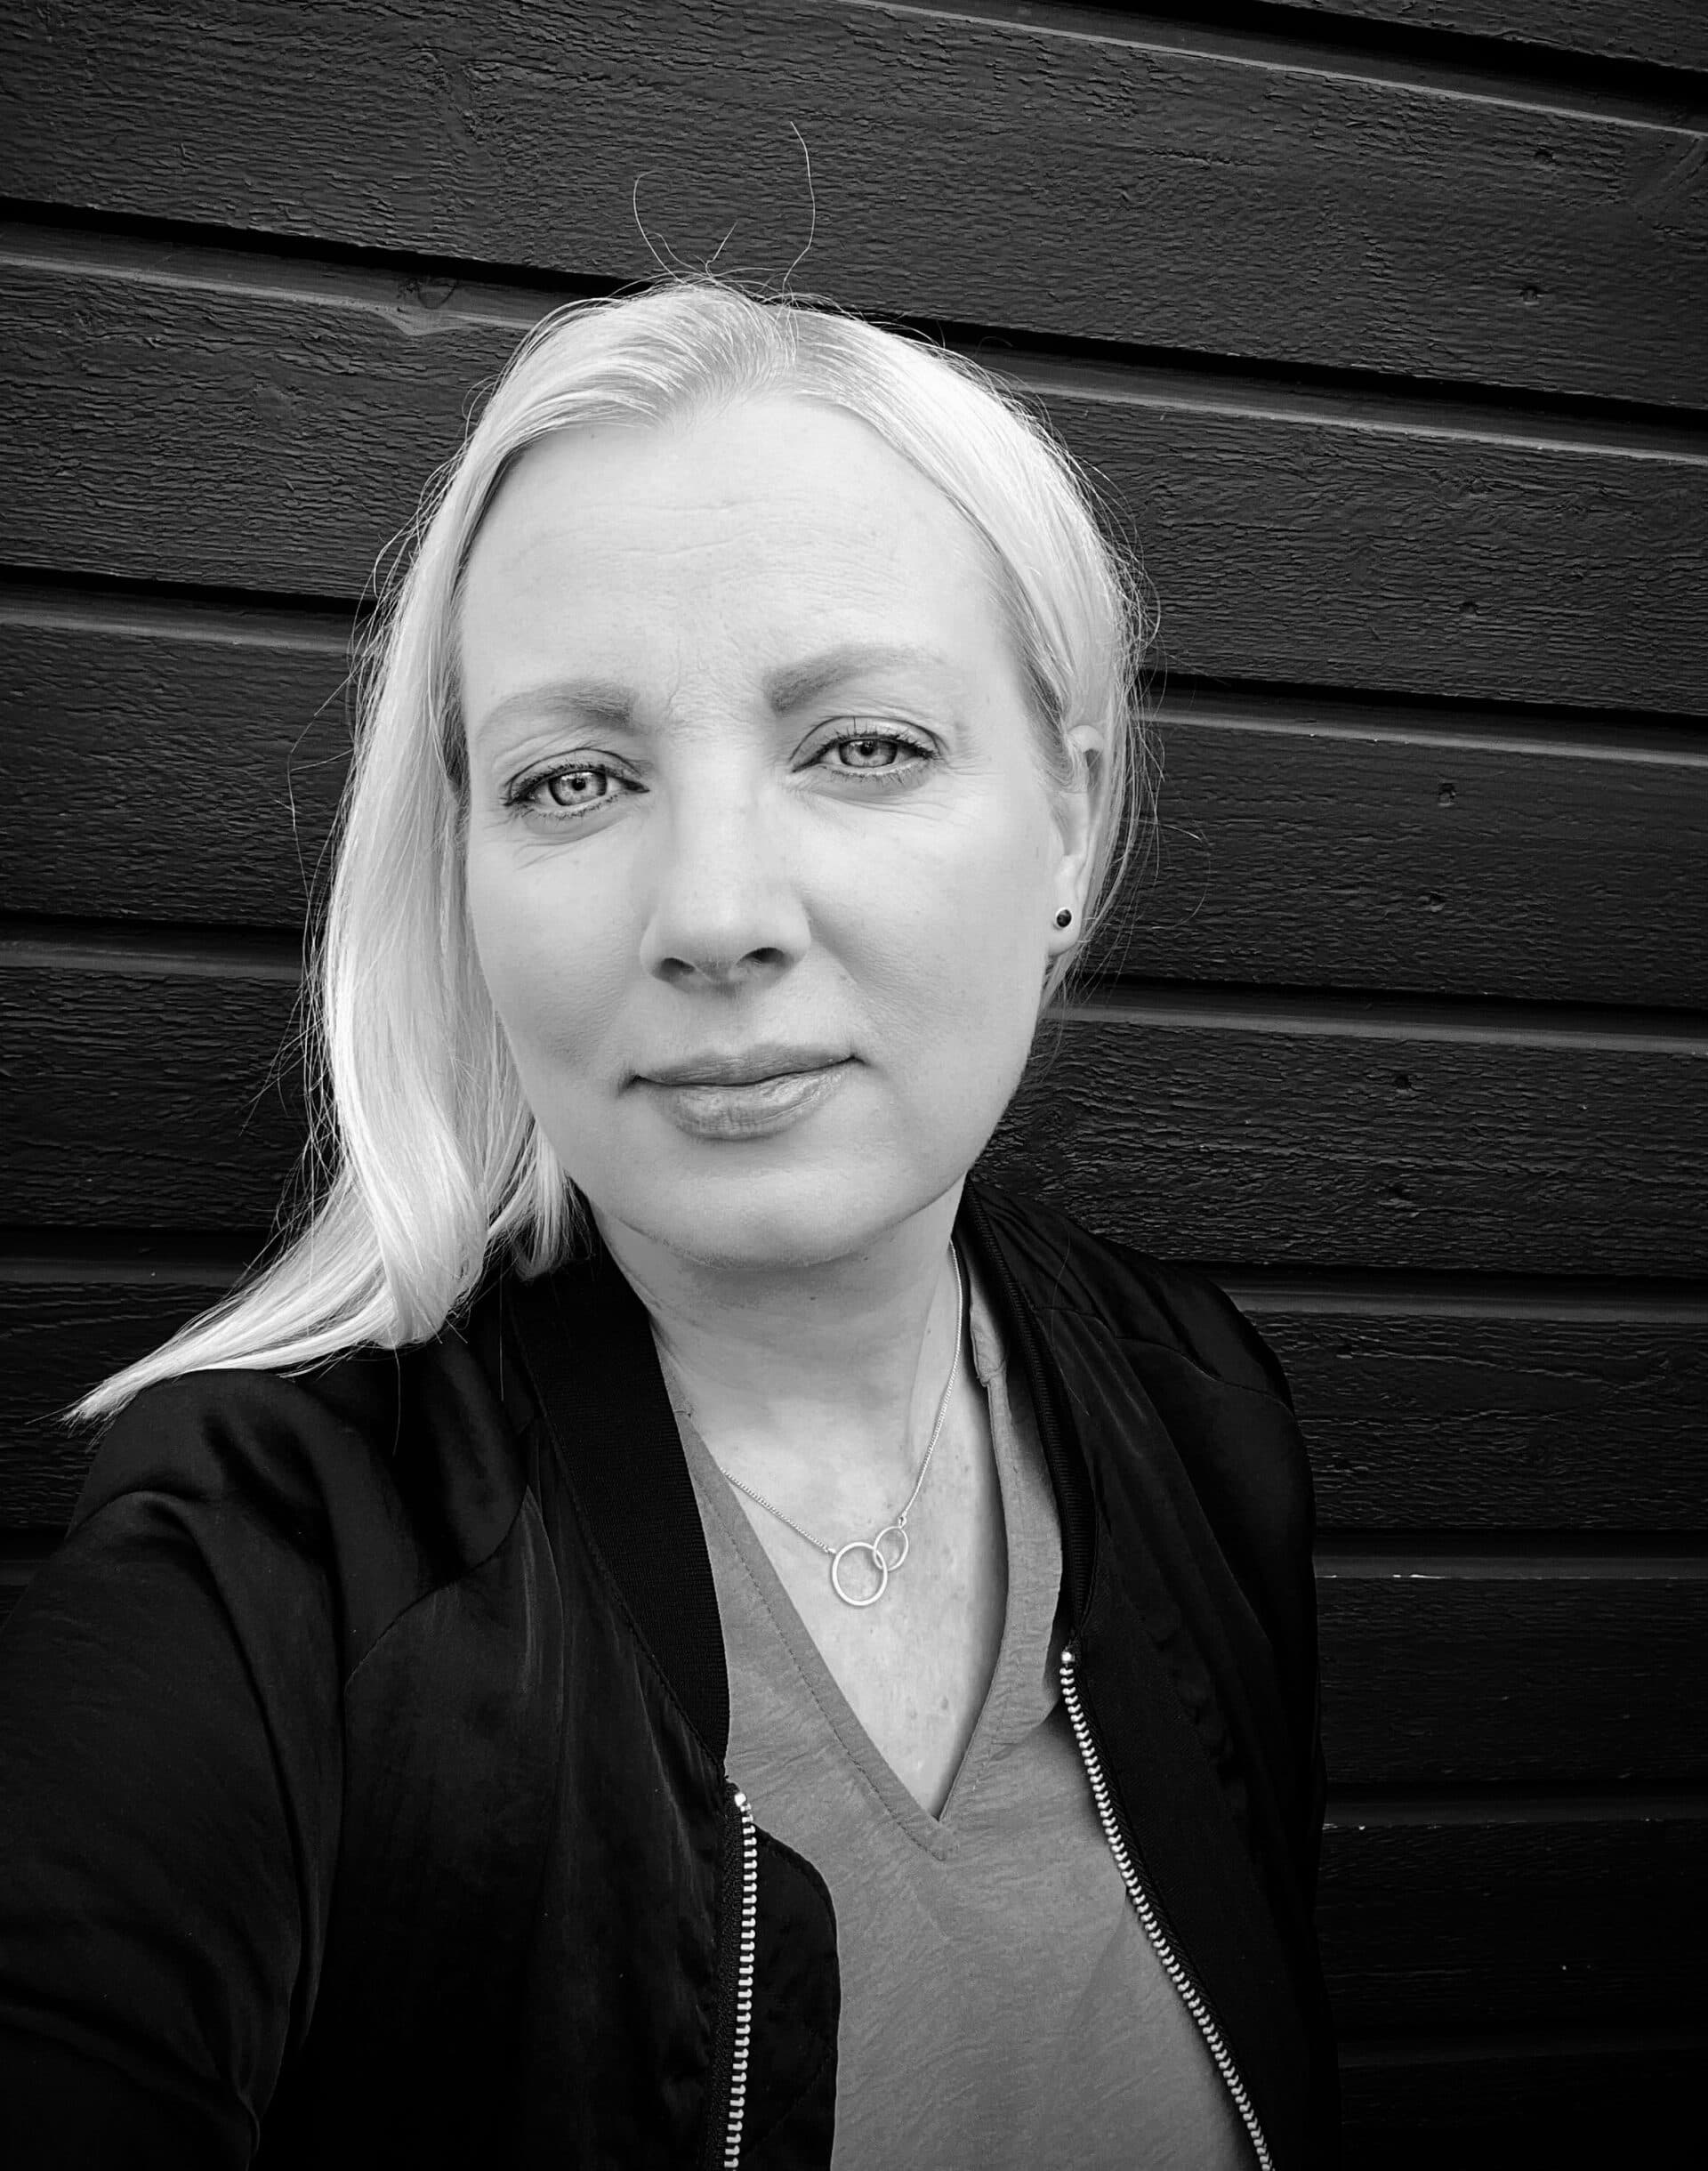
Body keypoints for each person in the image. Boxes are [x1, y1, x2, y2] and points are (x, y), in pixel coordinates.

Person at [0, 276, 1339, 2167]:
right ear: (466, 869)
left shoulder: (1199, 1408)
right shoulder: (273, 1548)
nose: (713, 913)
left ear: (1067, 815)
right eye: (575, 778)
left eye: (863, 745)